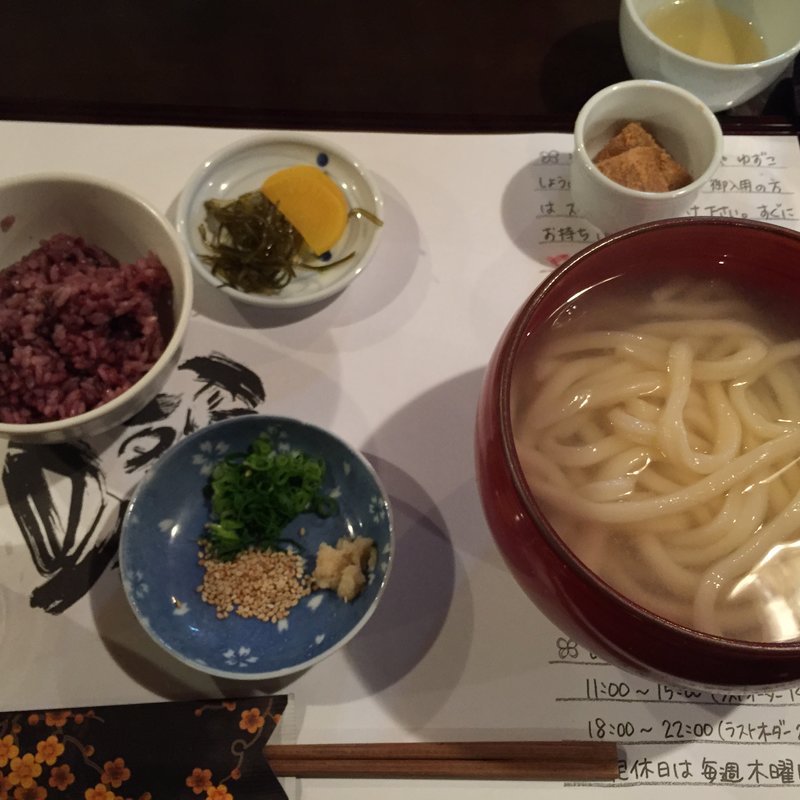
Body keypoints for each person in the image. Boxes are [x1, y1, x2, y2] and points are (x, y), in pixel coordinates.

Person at [2, 351, 266, 614]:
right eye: (162, 408)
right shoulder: (42, 465)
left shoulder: (153, 517)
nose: (171, 433)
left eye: (217, 417)